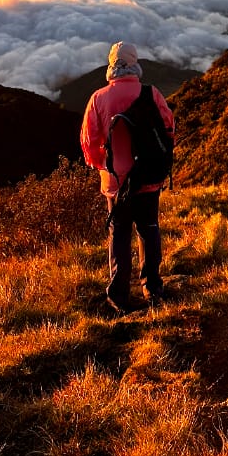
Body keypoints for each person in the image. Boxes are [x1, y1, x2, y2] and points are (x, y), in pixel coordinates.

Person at [81, 41, 175, 313]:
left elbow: (88, 141)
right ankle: (152, 288)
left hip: (116, 182)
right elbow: (169, 129)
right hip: (148, 178)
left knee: (119, 234)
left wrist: (102, 165)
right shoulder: (151, 93)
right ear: (135, 62)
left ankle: (118, 295)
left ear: (111, 64)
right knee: (149, 229)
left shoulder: (98, 98)